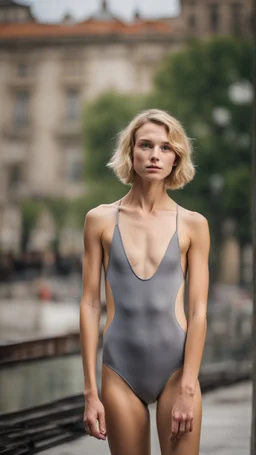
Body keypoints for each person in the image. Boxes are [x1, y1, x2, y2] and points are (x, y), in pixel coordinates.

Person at [80, 109, 210, 455]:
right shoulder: (99, 220)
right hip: (119, 372)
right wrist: (91, 393)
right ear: (130, 152)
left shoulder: (194, 224)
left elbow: (198, 311)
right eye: (146, 145)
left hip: (176, 371)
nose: (155, 155)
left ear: (176, 158)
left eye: (166, 148)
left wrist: (187, 387)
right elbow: (90, 304)